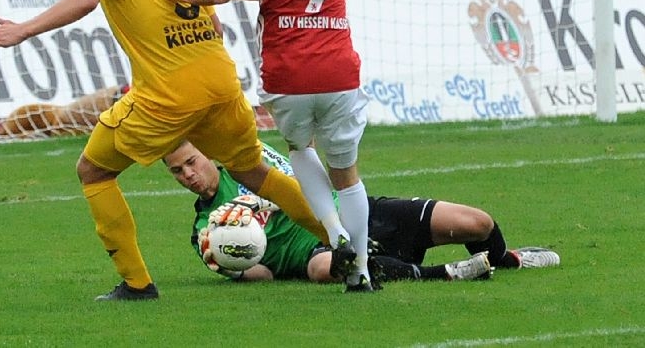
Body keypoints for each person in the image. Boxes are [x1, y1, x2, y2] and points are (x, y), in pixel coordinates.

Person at [0, 0, 329, 302]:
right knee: (254, 171)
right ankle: (342, 241)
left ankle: (137, 284)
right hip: (220, 78)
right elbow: (214, 27)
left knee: (93, 171)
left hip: (169, 91)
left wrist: (22, 30)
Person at [154, 0, 375, 292]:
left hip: (290, 71)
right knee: (346, 172)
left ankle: (335, 236)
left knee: (298, 149)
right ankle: (362, 270)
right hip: (340, 67)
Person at [165, 141, 561, 283]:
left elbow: (304, 176)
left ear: (206, 153)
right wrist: (232, 266)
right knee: (325, 269)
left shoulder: (248, 164)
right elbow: (263, 273)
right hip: (315, 254)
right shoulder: (205, 230)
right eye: (177, 171)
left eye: (190, 162)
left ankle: (508, 260)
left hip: (359, 214)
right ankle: (445, 274)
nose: (188, 174)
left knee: (476, 223)